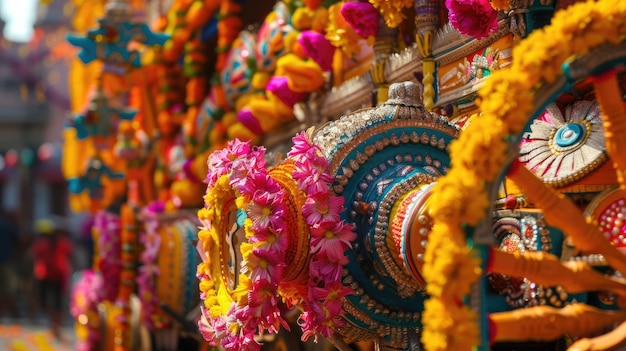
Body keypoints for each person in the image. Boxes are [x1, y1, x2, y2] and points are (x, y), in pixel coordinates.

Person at [30, 218, 74, 340]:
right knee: (43, 301)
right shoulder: (42, 244)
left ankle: (56, 325)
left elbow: (70, 256)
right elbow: (34, 255)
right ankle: (52, 322)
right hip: (44, 276)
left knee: (58, 303)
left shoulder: (64, 244)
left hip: (59, 277)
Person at [0, 211, 19, 319]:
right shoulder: (9, 227)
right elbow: (20, 241)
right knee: (9, 289)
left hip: (6, 261)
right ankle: (7, 312)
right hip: (6, 262)